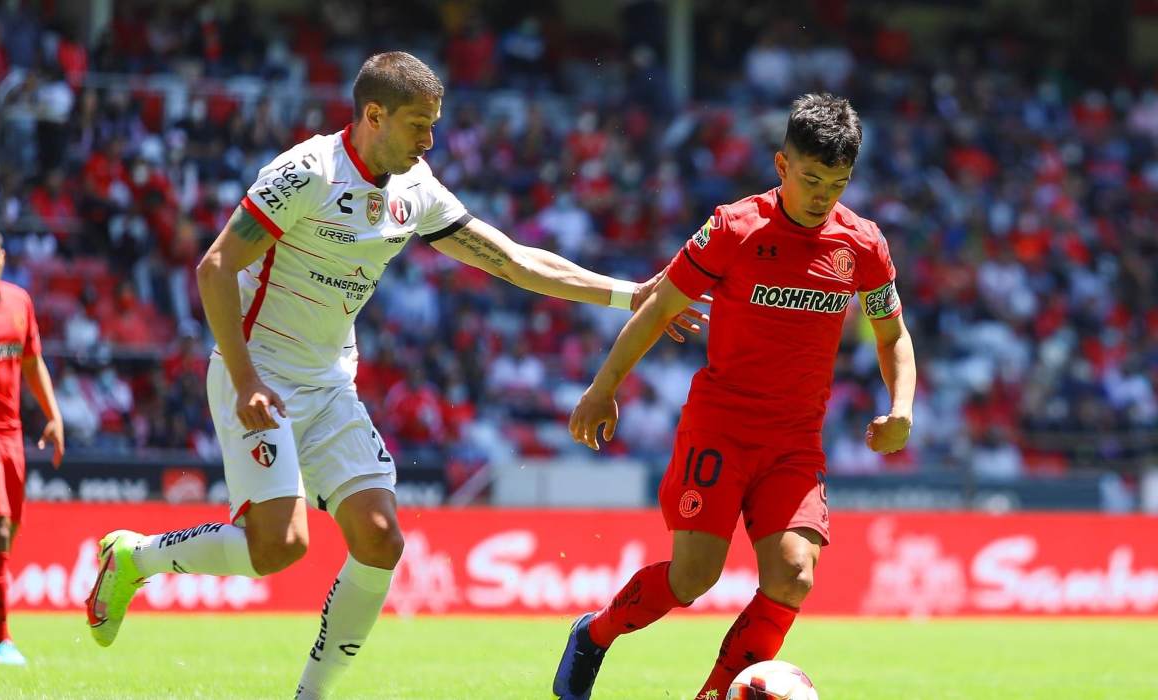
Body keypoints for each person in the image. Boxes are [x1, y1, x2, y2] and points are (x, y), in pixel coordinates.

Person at [83, 51, 704, 698]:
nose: (429, 140)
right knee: (277, 548)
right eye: (418, 125)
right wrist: (245, 382)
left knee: (381, 538)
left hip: (329, 384)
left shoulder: (416, 189)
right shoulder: (307, 173)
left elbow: (514, 261)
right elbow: (215, 267)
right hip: (259, 374)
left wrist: (631, 295)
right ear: (373, 115)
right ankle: (135, 558)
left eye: (434, 125)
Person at [553, 93, 916, 700]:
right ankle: (594, 633)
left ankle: (713, 697)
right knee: (693, 577)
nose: (823, 196)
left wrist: (902, 407)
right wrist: (603, 387)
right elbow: (660, 307)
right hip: (720, 428)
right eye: (811, 179)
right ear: (782, 165)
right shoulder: (734, 227)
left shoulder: (863, 245)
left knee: (794, 575)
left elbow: (892, 334)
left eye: (837, 183)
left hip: (795, 442)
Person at [0, 221, 65, 665]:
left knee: (4, 537)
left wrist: (53, 415)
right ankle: (2, 641)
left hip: (12, 434)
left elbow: (33, 361)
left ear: (3, 255)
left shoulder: (20, 301)